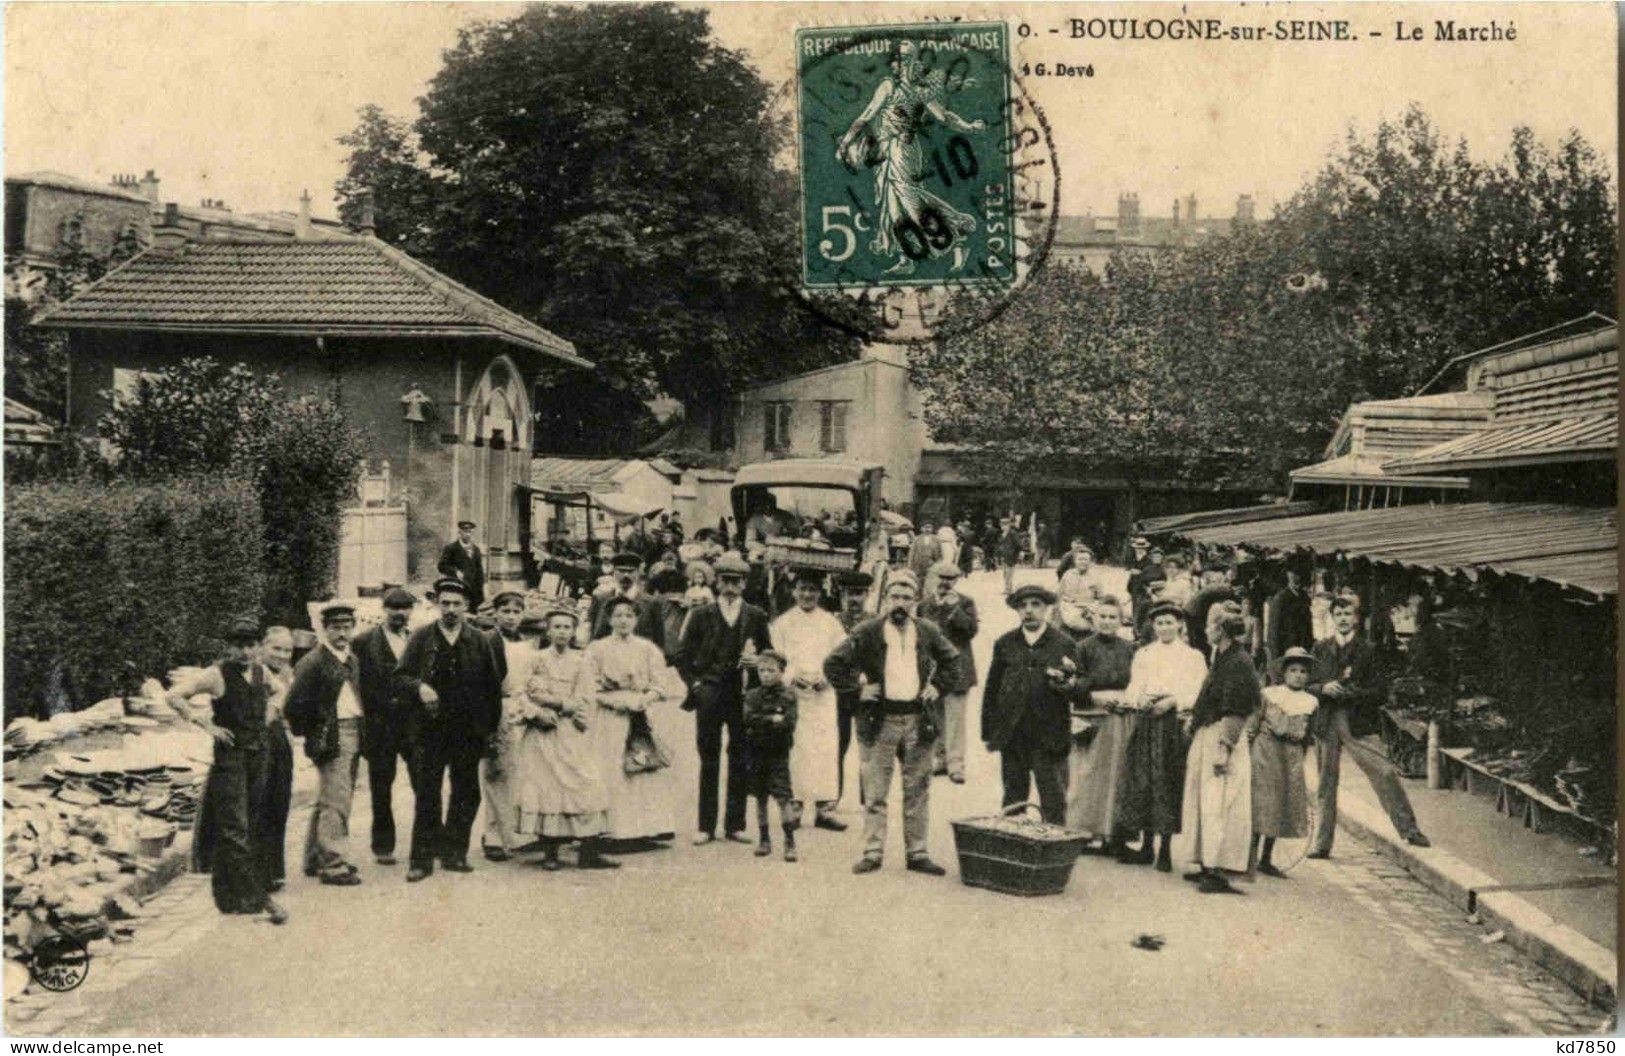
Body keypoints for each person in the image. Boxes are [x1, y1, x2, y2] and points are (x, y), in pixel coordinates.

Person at [824, 570, 959, 876]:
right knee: (875, 790)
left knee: (918, 788)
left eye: (906, 598)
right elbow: (833, 664)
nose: (900, 603)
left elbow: (953, 661)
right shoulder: (867, 630)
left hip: (917, 718)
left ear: (915, 601)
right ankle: (873, 851)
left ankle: (918, 852)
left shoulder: (927, 630)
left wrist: (937, 687)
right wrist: (858, 691)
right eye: (895, 597)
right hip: (879, 719)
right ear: (885, 599)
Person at [169, 618, 288, 924]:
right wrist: (206, 724)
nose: (245, 652)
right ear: (229, 646)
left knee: (250, 822)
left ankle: (230, 898)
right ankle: (260, 899)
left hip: (258, 755)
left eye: (250, 645)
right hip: (230, 759)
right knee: (234, 827)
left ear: (259, 646)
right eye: (238, 646)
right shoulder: (216, 674)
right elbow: (174, 696)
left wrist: (271, 712)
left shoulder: (263, 673)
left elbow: (280, 692)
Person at [393, 578, 507, 882]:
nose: (451, 610)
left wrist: (490, 732)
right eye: (445, 603)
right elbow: (400, 677)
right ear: (436, 604)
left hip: (468, 731)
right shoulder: (421, 638)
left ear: (466, 607)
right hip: (430, 730)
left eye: (457, 604)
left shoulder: (480, 640)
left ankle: (455, 853)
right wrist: (420, 687)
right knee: (428, 793)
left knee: (467, 793)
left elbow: (492, 689)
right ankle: (422, 860)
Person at [1306, 594, 1429, 857]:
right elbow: (1306, 685)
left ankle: (1409, 829)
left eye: (1347, 614)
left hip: (1358, 721)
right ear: (1332, 618)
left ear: (1356, 619)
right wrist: (1323, 688)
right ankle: (1322, 843)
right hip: (1327, 720)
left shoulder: (1368, 650)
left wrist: (1352, 693)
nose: (1343, 619)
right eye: (1338, 614)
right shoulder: (1319, 649)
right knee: (1326, 783)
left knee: (1384, 772)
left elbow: (1381, 691)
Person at [677, 551, 774, 845]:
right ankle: (706, 826)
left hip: (743, 695)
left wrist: (756, 662)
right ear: (716, 582)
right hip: (709, 692)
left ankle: (735, 824)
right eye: (725, 580)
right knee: (708, 757)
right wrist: (695, 685)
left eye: (736, 581)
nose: (730, 586)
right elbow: (682, 656)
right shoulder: (701, 614)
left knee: (740, 756)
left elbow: (769, 655)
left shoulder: (756, 615)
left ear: (744, 584)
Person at [577, 595, 686, 841]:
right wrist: (612, 700)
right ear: (608, 619)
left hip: (638, 713)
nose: (623, 620)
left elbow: (660, 684)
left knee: (642, 762)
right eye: (617, 615)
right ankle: (612, 828)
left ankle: (646, 827)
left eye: (628, 615)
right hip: (608, 716)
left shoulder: (647, 649)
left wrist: (643, 699)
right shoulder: (597, 649)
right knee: (611, 766)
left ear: (637, 619)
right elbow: (588, 685)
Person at [515, 606, 615, 870]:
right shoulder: (535, 659)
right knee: (547, 788)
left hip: (572, 731)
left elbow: (586, 697)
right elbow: (522, 692)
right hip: (543, 732)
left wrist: (566, 707)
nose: (561, 632)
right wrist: (537, 713)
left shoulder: (581, 662)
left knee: (586, 783)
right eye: (557, 627)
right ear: (548, 630)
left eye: (567, 627)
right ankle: (550, 852)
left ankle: (588, 851)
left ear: (574, 631)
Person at [980, 584, 1088, 825]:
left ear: (1047, 609)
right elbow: (992, 688)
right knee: (1013, 796)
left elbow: (1079, 684)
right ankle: (1013, 847)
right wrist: (989, 730)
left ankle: (1053, 849)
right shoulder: (1005, 643)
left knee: (1053, 796)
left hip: (1049, 733)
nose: (1028, 611)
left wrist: (1068, 683)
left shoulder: (1064, 643)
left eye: (1035, 605)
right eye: (1023, 606)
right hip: (1013, 733)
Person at [1117, 600, 1207, 870]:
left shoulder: (1193, 656)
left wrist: (1172, 702)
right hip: (1146, 722)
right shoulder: (1144, 653)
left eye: (1170, 622)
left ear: (1180, 625)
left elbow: (1198, 691)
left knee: (1167, 781)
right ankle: (1146, 846)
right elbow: (1133, 686)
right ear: (1153, 626)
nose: (1165, 627)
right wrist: (1140, 698)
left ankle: (1165, 849)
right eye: (1159, 623)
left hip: (1172, 724)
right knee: (1143, 780)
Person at [1181, 601, 1261, 895]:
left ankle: (1220, 869)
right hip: (1210, 732)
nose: (1204, 630)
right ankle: (1206, 862)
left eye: (1209, 625)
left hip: (1224, 736)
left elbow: (1237, 707)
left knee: (1221, 804)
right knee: (1206, 800)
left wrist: (1224, 747)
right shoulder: (1223, 656)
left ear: (1221, 629)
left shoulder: (1239, 661)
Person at [285, 602, 365, 887]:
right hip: (331, 735)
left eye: (347, 627)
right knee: (337, 801)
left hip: (354, 730)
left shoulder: (350, 659)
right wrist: (313, 733)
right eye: (336, 628)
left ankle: (314, 858)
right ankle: (333, 864)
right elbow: (293, 706)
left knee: (329, 798)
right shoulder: (314, 662)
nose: (342, 633)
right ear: (325, 629)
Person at [770, 568, 848, 831]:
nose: (807, 594)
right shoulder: (782, 623)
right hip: (795, 695)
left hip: (823, 694)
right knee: (797, 748)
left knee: (825, 747)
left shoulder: (831, 623)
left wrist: (828, 677)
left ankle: (825, 808)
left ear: (820, 593)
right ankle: (795, 805)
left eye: (812, 590)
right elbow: (776, 659)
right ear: (794, 591)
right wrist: (791, 677)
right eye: (802, 589)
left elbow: (842, 656)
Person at [1066, 597, 1139, 849]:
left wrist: (1127, 699)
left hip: (1121, 717)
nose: (1107, 622)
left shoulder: (1130, 649)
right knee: (1088, 774)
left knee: (1119, 774)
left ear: (1120, 621)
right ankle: (1083, 832)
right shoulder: (1082, 647)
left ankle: (1114, 836)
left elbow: (1138, 681)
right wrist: (1094, 696)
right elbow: (1073, 682)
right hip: (1092, 717)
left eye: (1112, 617)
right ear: (1094, 619)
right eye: (1103, 616)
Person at [353, 588, 416, 867]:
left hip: (413, 726)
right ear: (384, 609)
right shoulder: (364, 643)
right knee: (381, 787)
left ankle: (425, 843)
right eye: (394, 608)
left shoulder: (417, 640)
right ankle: (383, 846)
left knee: (423, 784)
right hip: (380, 725)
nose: (400, 613)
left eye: (405, 608)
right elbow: (355, 685)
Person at [1248, 647, 1318, 878]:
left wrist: (1301, 759)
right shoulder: (1269, 695)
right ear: (1284, 673)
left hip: (1291, 756)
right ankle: (1249, 855)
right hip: (1266, 752)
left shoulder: (1311, 702)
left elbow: (1308, 735)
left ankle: (1266, 858)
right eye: (1293, 670)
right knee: (1261, 801)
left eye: (1303, 672)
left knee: (1280, 804)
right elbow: (1254, 724)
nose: (1298, 675)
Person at [478, 591, 535, 862]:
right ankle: (493, 836)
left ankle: (517, 833)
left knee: (519, 774)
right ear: (495, 613)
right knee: (495, 773)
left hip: (523, 708)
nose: (511, 617)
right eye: (506, 611)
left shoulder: (527, 643)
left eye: (516, 611)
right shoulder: (487, 641)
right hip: (496, 708)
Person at [918, 562, 979, 784]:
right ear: (934, 577)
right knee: (935, 715)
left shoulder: (965, 602)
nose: (945, 583)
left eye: (950, 579)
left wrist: (955, 610)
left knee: (956, 717)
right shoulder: (924, 604)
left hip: (958, 667)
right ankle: (940, 759)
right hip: (932, 669)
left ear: (957, 581)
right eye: (941, 577)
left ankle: (956, 764)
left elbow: (971, 631)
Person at [742, 650, 800, 862]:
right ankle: (764, 839)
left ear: (782, 671)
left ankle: (789, 841)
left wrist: (766, 720)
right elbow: (748, 720)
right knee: (760, 797)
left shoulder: (789, 695)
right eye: (761, 670)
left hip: (778, 752)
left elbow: (788, 723)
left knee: (783, 796)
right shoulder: (752, 695)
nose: (765, 675)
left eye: (771, 670)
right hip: (756, 752)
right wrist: (772, 718)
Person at [255, 627, 295, 892]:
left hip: (280, 740)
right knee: (260, 803)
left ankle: (273, 869)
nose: (282, 655)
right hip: (258, 739)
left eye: (287, 650)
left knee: (279, 802)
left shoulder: (287, 674)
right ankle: (257, 872)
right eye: (276, 649)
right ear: (262, 647)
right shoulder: (255, 672)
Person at [832, 570, 874, 810]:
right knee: (836, 743)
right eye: (849, 594)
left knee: (867, 744)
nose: (854, 599)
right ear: (842, 595)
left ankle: (868, 797)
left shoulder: (876, 620)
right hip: (838, 692)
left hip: (866, 692)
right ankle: (831, 796)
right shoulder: (833, 621)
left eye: (859, 593)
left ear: (867, 594)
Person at [588, 552, 666, 648]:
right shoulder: (601, 599)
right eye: (621, 571)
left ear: (638, 573)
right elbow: (593, 635)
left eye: (631, 571)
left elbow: (659, 642)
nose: (626, 575)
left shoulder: (651, 603)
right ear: (613, 572)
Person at [1264, 566, 1315, 677]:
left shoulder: (1304, 596)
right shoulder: (1280, 598)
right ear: (1288, 575)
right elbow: (1273, 630)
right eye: (1293, 574)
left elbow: (1309, 625)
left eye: (1298, 574)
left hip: (1303, 648)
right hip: (1286, 649)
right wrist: (1276, 659)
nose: (1296, 577)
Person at [1184, 560, 1238, 655]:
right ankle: (1202, 657)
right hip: (1194, 613)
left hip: (1193, 611)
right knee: (1199, 638)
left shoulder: (1218, 587)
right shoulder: (1224, 589)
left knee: (1197, 637)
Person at [1055, 541, 1105, 635]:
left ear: (1090, 562)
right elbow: (1059, 594)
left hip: (1087, 610)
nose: (1082, 562)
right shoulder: (1068, 575)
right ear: (1075, 561)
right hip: (1069, 609)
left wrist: (1092, 608)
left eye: (1085, 559)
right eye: (1080, 559)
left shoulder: (1095, 577)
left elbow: (1101, 598)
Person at [437, 520, 486, 610]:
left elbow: (479, 570)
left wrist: (481, 589)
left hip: (473, 590)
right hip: (458, 586)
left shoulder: (476, 549)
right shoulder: (451, 548)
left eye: (470, 532)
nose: (467, 534)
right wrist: (456, 572)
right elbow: (441, 566)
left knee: (473, 613)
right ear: (459, 532)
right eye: (465, 531)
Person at [997, 521, 1022, 595]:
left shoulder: (1012, 533)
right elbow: (1001, 543)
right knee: (1005, 573)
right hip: (1004, 556)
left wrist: (1014, 553)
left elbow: (1018, 544)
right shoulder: (1003, 534)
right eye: (1001, 525)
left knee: (1009, 573)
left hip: (1010, 556)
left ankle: (1009, 589)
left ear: (1008, 525)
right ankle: (1007, 588)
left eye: (1004, 525)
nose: (1002, 527)